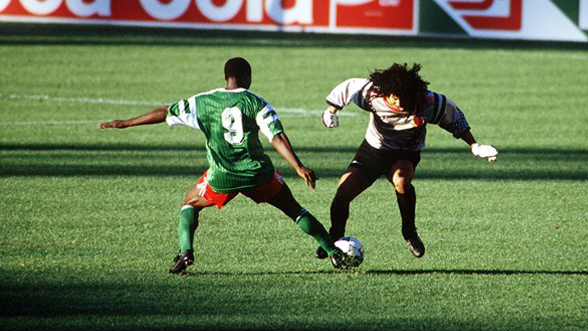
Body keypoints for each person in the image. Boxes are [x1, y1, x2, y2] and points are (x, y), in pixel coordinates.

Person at [99, 57, 345, 273]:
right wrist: (298, 167)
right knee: (294, 210)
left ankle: (186, 252)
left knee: (190, 204)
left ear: (226, 77)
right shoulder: (256, 102)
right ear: (247, 77)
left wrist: (126, 123)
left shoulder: (203, 102)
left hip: (222, 176)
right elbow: (276, 137)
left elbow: (165, 112)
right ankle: (333, 252)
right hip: (257, 174)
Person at [315, 63, 498, 259]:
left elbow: (454, 118)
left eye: (405, 97)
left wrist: (474, 146)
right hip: (373, 151)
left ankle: (409, 232)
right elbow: (349, 87)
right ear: (387, 93)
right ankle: (335, 236)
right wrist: (330, 111)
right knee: (342, 193)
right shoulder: (372, 95)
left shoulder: (428, 103)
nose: (400, 102)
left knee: (401, 180)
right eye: (395, 97)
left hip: (405, 154)